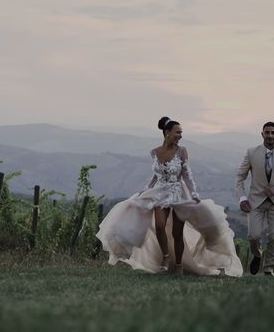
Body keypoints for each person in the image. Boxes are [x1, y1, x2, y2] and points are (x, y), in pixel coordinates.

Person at [96, 117, 243, 277]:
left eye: (181, 132)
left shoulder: (182, 151)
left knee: (176, 233)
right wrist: (146, 190)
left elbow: (187, 174)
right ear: (167, 133)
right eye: (177, 132)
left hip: (179, 193)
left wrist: (194, 193)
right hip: (160, 193)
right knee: (159, 226)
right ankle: (165, 256)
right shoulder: (154, 152)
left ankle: (179, 265)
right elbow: (156, 174)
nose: (180, 135)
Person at [236, 121, 274, 276]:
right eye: (267, 132)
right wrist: (242, 198)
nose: (270, 135)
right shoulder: (251, 152)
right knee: (254, 236)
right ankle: (257, 255)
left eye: (273, 133)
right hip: (255, 201)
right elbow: (239, 177)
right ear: (262, 134)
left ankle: (269, 268)